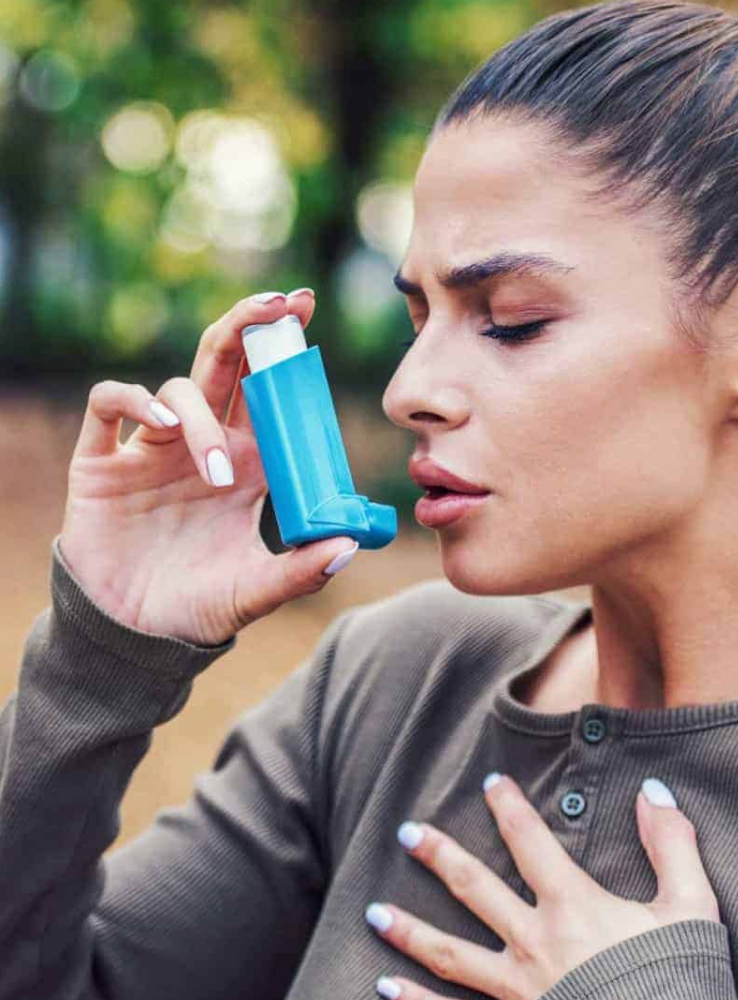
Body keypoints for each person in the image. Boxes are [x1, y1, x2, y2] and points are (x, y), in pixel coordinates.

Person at [6, 0, 738, 997]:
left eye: (512, 320)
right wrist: (98, 663)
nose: (406, 391)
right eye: (419, 313)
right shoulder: (398, 680)